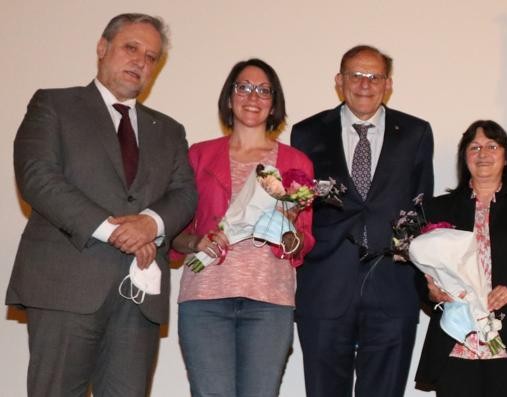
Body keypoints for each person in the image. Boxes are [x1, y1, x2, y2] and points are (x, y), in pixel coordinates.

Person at [7, 13, 197, 396]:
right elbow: (38, 178)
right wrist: (117, 231)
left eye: (151, 57)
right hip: (66, 287)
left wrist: (150, 224)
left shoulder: (170, 130)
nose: (140, 61)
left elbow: (184, 194)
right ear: (102, 48)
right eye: (131, 48)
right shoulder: (54, 105)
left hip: (139, 298)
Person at [291, 44, 434, 397]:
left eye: (375, 76)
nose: (365, 84)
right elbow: (299, 208)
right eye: (356, 75)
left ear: (388, 84)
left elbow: (421, 207)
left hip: (393, 285)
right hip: (325, 284)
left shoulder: (416, 132)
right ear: (340, 81)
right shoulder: (306, 132)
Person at [168, 58, 315, 396]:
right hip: (205, 298)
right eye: (244, 87)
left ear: (274, 102)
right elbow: (176, 230)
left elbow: (303, 244)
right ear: (230, 96)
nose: (253, 97)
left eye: (264, 90)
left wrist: (290, 232)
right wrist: (196, 242)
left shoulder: (296, 162)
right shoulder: (199, 155)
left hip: (269, 300)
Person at [413, 120, 507, 396]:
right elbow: (419, 275)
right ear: (464, 157)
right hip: (454, 343)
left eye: (492, 146)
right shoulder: (437, 208)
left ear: (505, 156)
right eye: (474, 147)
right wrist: (431, 291)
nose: (483, 154)